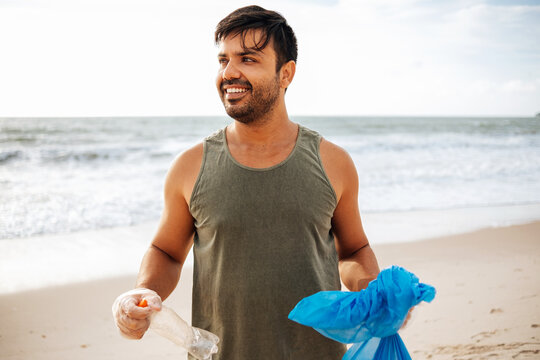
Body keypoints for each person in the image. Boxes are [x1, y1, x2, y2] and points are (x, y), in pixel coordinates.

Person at [112, 5, 381, 360]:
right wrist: (142, 292)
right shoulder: (191, 165)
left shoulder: (333, 162)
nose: (229, 72)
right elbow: (166, 251)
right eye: (223, 60)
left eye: (248, 59)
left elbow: (353, 251)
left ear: (286, 74)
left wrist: (375, 294)